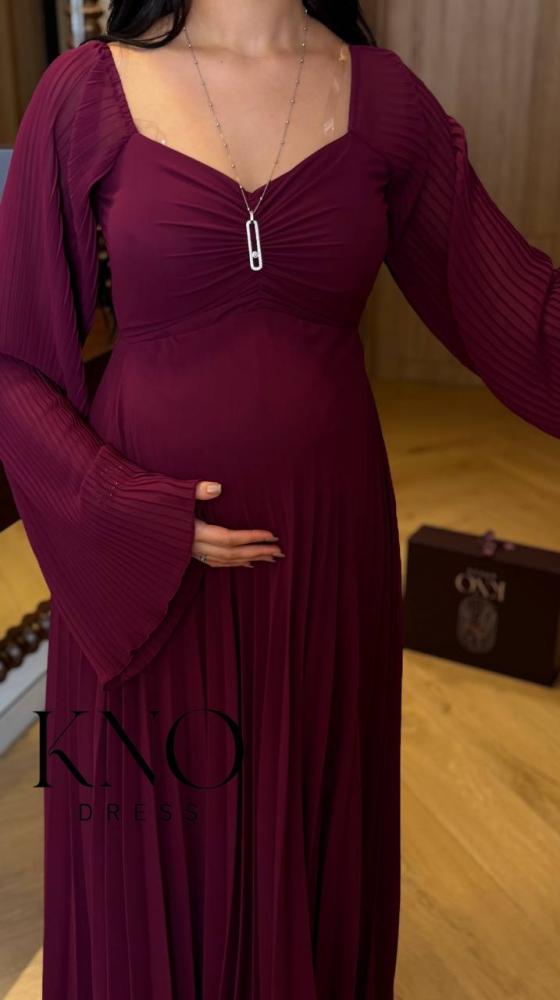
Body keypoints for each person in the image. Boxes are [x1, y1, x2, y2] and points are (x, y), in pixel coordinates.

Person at [0, 1, 558, 997]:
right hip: (147, 573)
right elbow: (14, 364)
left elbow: (520, 317)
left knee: (311, 828)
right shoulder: (84, 95)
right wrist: (129, 510)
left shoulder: (383, 100)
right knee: (160, 856)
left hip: (325, 554)